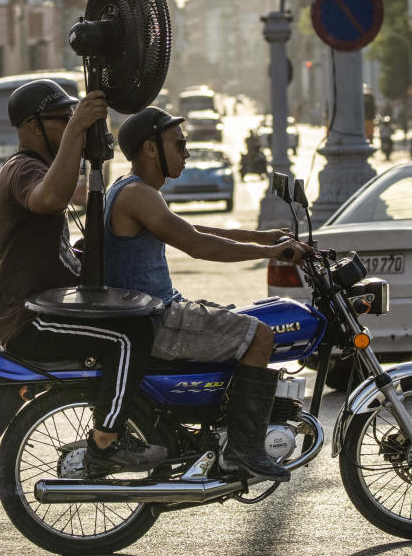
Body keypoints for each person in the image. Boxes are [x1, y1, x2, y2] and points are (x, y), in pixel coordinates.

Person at [104, 106, 313, 482]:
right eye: (179, 144)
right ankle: (243, 451)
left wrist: (261, 237)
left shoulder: (133, 190)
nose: (186, 153)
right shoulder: (137, 194)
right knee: (260, 336)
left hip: (155, 312)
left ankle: (222, 430)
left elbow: (190, 227)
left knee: (247, 319)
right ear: (151, 149)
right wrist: (269, 253)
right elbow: (197, 245)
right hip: (159, 320)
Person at [0, 79, 167, 477]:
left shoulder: (39, 169)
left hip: (37, 308)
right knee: (130, 337)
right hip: (25, 320)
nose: (69, 127)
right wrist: (79, 128)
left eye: (70, 119)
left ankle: (126, 418)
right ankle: (106, 444)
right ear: (34, 126)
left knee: (133, 320)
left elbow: (62, 250)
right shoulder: (22, 169)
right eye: (61, 120)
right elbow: (49, 198)